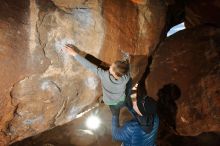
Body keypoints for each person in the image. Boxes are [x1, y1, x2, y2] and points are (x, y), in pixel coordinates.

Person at [63, 44, 133, 114]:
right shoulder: (126, 77)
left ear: (114, 73)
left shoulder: (104, 75)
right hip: (121, 98)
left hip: (110, 101)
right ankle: (130, 110)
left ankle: (116, 117)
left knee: (115, 114)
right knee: (123, 105)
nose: (110, 65)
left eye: (111, 66)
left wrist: (73, 53)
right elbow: (125, 69)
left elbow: (89, 66)